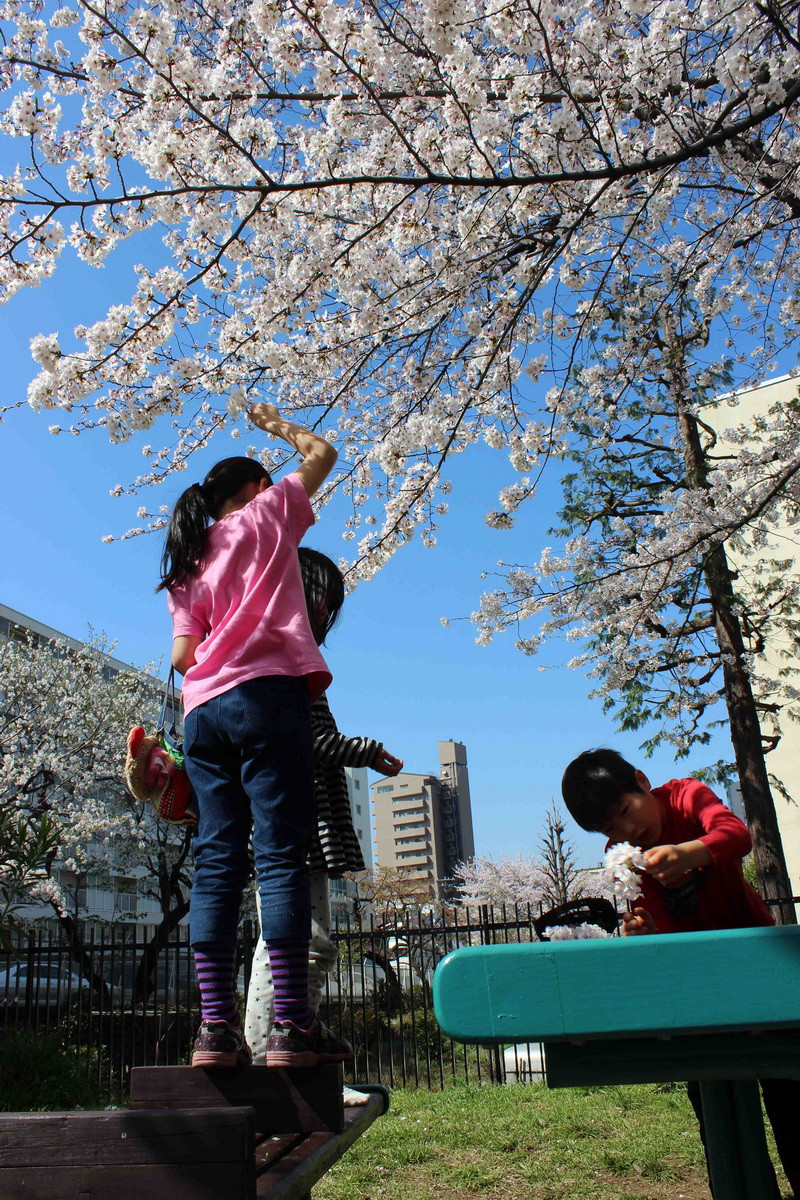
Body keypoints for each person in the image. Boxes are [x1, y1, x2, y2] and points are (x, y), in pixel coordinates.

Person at [159, 401, 350, 1070]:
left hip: (202, 708)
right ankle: (291, 1026)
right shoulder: (267, 515)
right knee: (279, 854)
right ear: (258, 489)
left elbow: (184, 654)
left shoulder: (187, 558)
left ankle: (214, 1032)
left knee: (217, 860)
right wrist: (281, 428)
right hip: (266, 695)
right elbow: (322, 454)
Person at [561, 747, 800, 1199]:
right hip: (696, 993)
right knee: (716, 1113)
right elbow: (655, 926)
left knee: (791, 1100)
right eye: (611, 828)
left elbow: (735, 835)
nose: (628, 830)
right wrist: (642, 930)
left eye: (627, 811)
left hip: (757, 969)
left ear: (642, 780)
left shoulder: (686, 796)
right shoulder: (623, 856)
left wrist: (689, 852)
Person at [245, 548, 403, 1085]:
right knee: (295, 940)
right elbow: (310, 740)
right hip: (294, 819)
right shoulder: (284, 654)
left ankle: (284, 1045)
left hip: (290, 820)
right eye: (319, 597)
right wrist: (365, 750)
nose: (324, 610)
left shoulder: (272, 650)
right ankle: (271, 1054)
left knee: (300, 940)